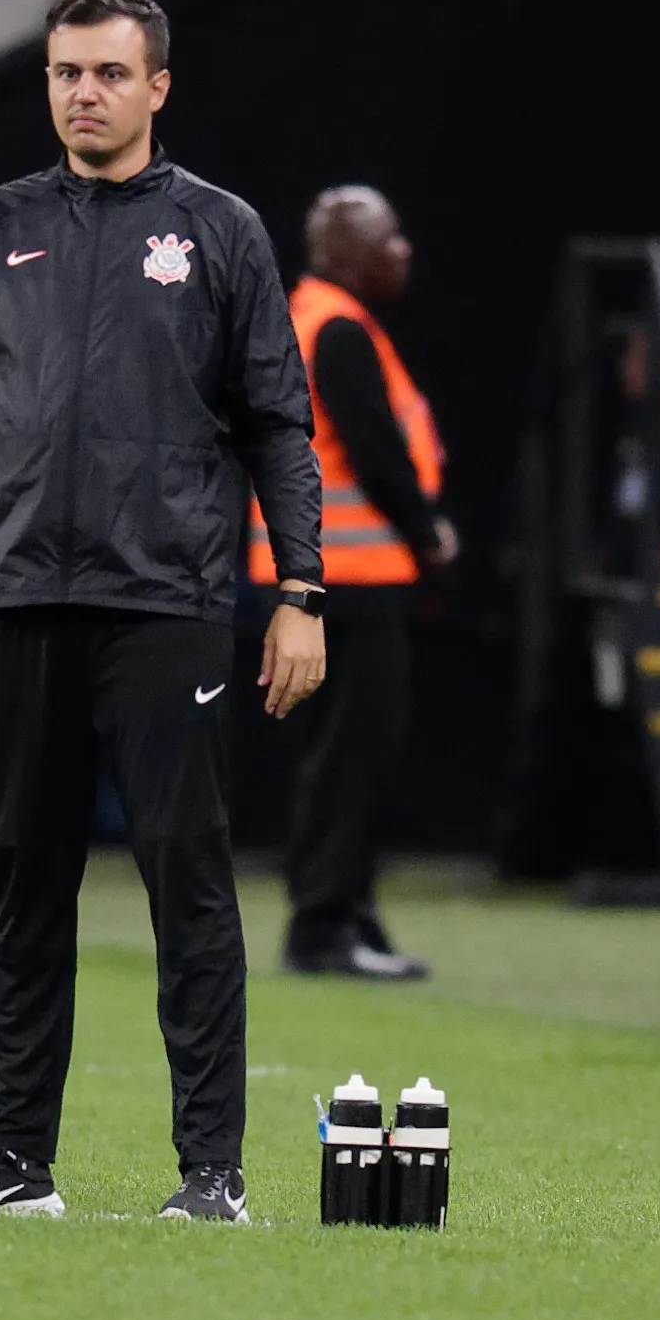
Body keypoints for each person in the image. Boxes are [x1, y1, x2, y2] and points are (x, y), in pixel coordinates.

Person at [0, 0, 325, 1225]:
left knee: (188, 880)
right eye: (67, 72)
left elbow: (282, 422)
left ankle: (211, 1175)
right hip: (11, 596)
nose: (84, 93)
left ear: (158, 87)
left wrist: (302, 592)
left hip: (166, 605)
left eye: (110, 74)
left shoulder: (219, 233)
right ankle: (15, 1164)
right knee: (26, 882)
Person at [253, 185, 447, 982]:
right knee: (351, 760)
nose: (401, 251)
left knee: (331, 757)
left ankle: (344, 913)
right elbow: (374, 452)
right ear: (342, 250)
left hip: (312, 580)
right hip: (351, 580)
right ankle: (325, 929)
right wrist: (428, 531)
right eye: (388, 236)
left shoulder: (304, 317)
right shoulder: (336, 327)